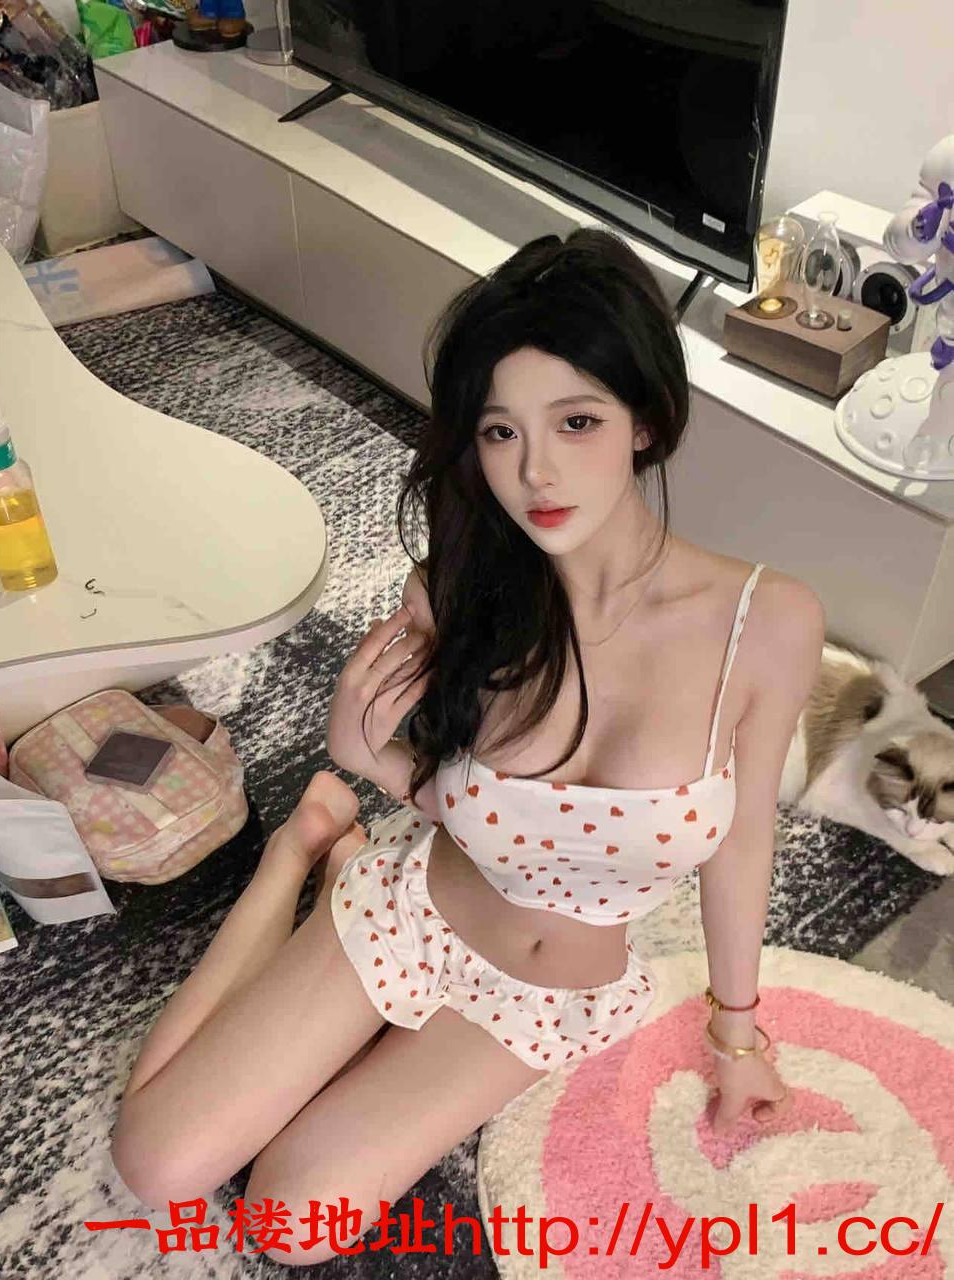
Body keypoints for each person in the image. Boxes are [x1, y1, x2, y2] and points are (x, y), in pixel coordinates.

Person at [110, 227, 825, 1264]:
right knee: (155, 1164)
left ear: (645, 421)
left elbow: (743, 834)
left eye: (576, 420)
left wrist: (738, 1032)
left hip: (544, 999)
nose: (534, 469)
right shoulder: (461, 590)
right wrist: (370, 758)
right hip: (415, 909)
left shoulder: (768, 621)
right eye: (499, 431)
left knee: (289, 1224)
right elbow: (472, 804)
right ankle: (297, 858)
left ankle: (326, 858)